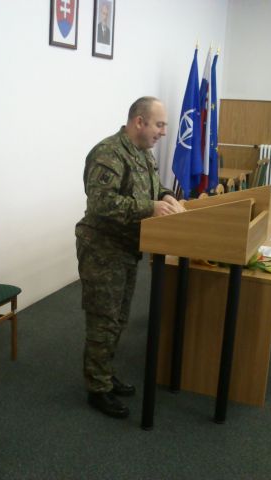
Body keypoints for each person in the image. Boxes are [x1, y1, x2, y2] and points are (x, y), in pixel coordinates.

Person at [75, 97, 185, 419]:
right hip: (102, 250)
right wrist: (150, 207)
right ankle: (97, 389)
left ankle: (105, 374)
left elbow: (153, 187)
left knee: (119, 319)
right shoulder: (108, 153)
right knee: (103, 320)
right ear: (140, 121)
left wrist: (166, 196)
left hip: (126, 248)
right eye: (159, 125)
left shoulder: (142, 153)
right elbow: (101, 204)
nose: (164, 132)